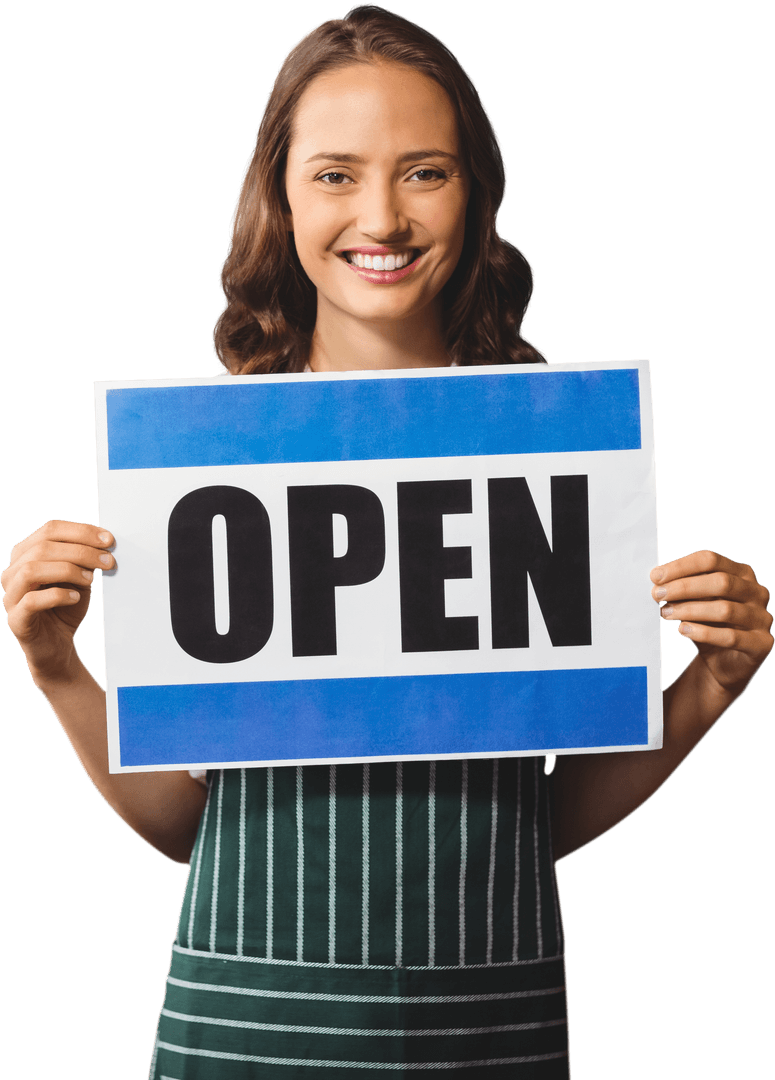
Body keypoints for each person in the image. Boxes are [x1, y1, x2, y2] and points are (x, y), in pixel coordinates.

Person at [2, 5, 771, 1077]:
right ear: (276, 195)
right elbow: (185, 825)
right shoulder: (201, 454)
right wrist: (56, 666)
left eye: (424, 172)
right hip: (250, 1014)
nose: (381, 214)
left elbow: (533, 820)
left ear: (477, 192)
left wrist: (707, 688)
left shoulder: (554, 449)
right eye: (333, 174)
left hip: (493, 1012)